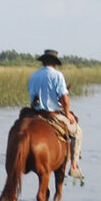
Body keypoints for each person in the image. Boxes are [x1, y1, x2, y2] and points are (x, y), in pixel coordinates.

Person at [28, 49, 84, 178]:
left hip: (35, 113)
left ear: (43, 61)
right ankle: (74, 166)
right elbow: (64, 99)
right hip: (51, 114)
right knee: (78, 132)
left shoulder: (34, 76)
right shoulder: (57, 76)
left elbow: (32, 96)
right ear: (54, 62)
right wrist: (67, 113)